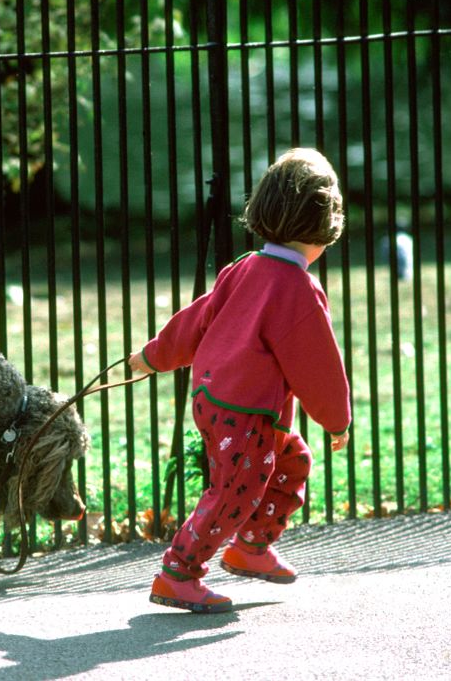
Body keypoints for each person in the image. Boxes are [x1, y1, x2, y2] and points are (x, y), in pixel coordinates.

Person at [128, 147, 352, 614]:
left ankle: (249, 546)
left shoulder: (246, 266)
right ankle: (179, 573)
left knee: (291, 462)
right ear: (325, 225)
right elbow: (318, 365)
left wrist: (153, 357)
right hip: (245, 412)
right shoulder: (297, 289)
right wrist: (336, 421)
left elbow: (196, 320)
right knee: (233, 491)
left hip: (215, 398)